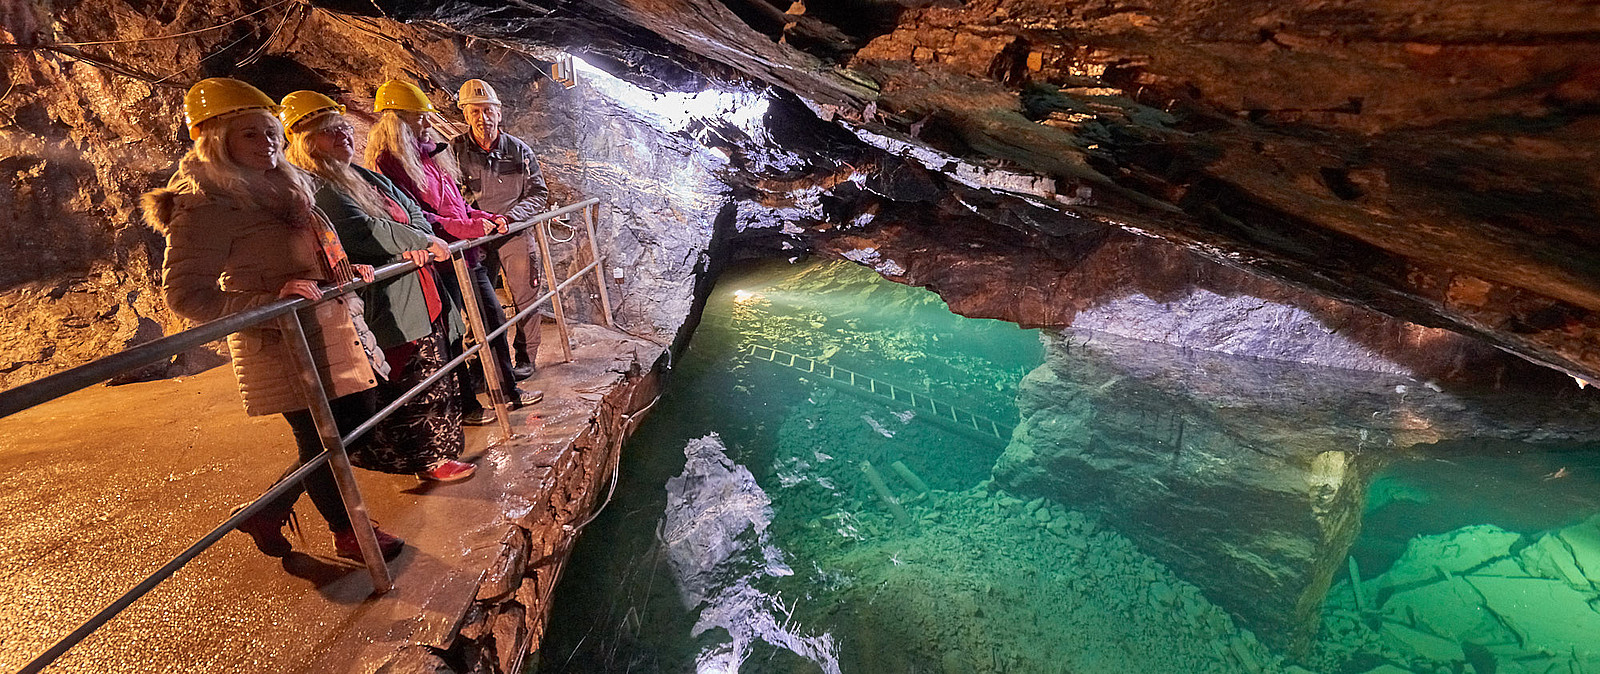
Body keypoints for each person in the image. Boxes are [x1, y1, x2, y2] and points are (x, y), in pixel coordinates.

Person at [142, 78, 402, 561]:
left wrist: (342, 266)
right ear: (216, 139)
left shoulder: (287, 181)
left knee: (354, 423)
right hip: (280, 340)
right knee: (321, 437)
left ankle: (268, 509)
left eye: (269, 133)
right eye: (249, 134)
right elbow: (184, 294)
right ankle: (348, 532)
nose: (266, 143)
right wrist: (267, 302)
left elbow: (308, 246)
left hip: (329, 321)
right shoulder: (205, 202)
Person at [281, 89, 477, 482]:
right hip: (387, 295)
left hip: (417, 285)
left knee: (432, 368)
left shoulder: (364, 176)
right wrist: (419, 242)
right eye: (330, 132)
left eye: (343, 128)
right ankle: (426, 460)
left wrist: (420, 238)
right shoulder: (319, 186)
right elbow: (362, 230)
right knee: (410, 377)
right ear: (306, 141)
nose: (343, 136)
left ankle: (438, 454)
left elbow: (414, 213)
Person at [363, 79, 538, 424]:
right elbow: (415, 214)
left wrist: (485, 218)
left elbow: (457, 205)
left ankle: (506, 392)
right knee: (455, 333)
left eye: (488, 110)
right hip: (442, 260)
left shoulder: (430, 156)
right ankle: (470, 404)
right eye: (419, 119)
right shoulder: (391, 164)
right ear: (397, 122)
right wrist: (467, 228)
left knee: (493, 318)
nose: (427, 125)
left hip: (466, 253)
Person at [452, 79, 550, 384]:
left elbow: (538, 193)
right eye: (475, 112)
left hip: (514, 233)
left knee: (526, 297)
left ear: (499, 113)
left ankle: (525, 358)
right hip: (476, 236)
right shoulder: (454, 151)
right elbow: (451, 195)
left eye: (488, 111)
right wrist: (475, 221)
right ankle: (483, 363)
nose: (483, 118)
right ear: (466, 116)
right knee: (478, 304)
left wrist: (510, 217)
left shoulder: (519, 150)